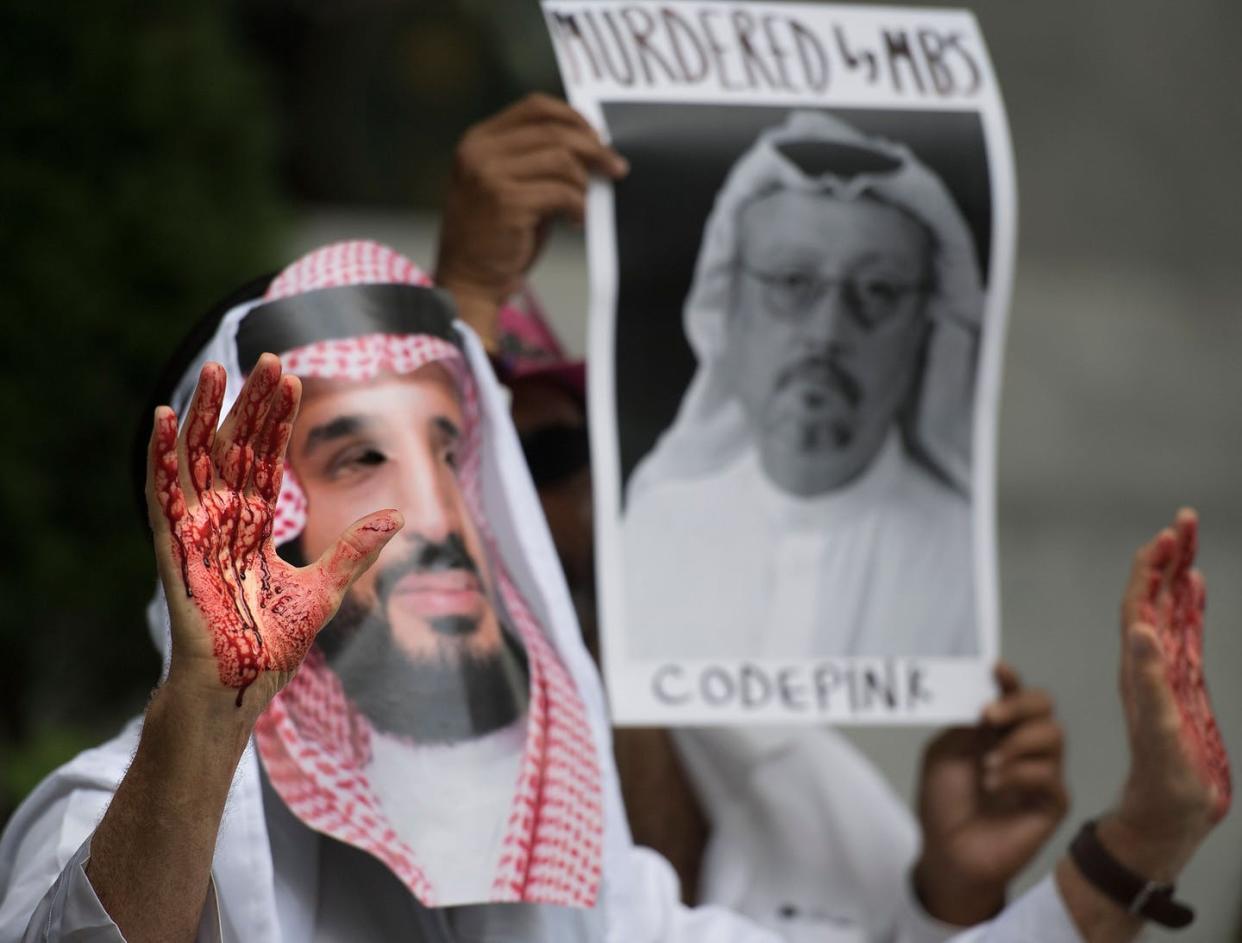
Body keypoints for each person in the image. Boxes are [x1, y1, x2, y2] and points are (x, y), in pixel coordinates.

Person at [0, 230, 1230, 940]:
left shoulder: (559, 870)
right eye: (360, 455)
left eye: (451, 455)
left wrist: (1145, 835)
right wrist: (206, 713)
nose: (439, 518)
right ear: (240, 518)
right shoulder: (103, 814)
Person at [429, 94, 1230, 940]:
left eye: (551, 458)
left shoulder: (794, 771)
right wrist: (464, 300)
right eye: (791, 285)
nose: (524, 511)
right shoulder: (341, 775)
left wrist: (946, 896)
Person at [619, 110, 985, 660]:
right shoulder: (652, 533)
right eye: (792, 282)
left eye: (878, 292)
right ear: (729, 312)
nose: (826, 334)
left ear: (923, 331)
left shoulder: (965, 560)